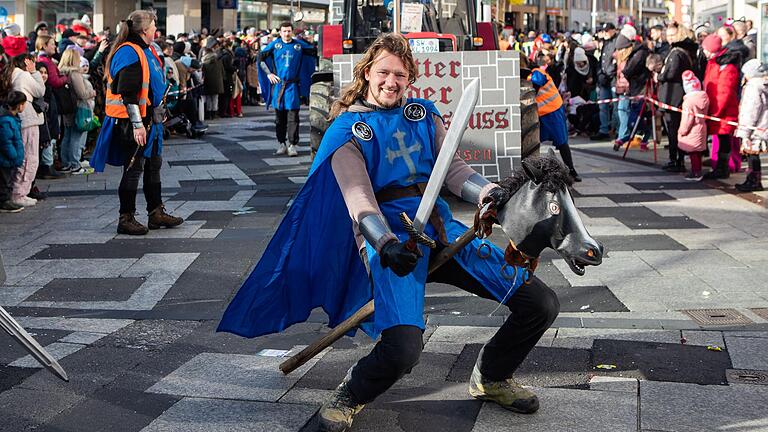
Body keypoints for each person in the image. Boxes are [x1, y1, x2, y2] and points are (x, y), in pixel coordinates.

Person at [218, 34, 560, 432]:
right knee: (402, 350)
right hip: (391, 241)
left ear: (410, 77)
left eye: (399, 74)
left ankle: (492, 377)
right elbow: (359, 199)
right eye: (383, 72)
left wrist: (488, 193)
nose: (391, 81)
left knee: (540, 302)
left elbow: (453, 172)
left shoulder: (423, 115)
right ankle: (348, 396)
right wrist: (385, 245)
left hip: (442, 231)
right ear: (367, 73)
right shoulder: (347, 131)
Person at [91, 10, 184, 235]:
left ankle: (156, 212)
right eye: (153, 26)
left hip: (151, 118)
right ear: (144, 29)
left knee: (154, 164)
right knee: (134, 168)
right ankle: (126, 217)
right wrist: (137, 124)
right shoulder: (128, 52)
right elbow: (128, 92)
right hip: (131, 121)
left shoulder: (146, 50)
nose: (156, 30)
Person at [258, 21, 316, 157]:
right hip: (279, 86)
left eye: (289, 31)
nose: (287, 33)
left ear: (292, 31)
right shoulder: (275, 45)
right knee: (279, 118)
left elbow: (313, 52)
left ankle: (292, 145)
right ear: (280, 32)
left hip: (292, 87)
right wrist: (269, 74)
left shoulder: (298, 45)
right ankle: (281, 144)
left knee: (293, 117)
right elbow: (260, 58)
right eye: (284, 31)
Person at [530, 53, 580, 181]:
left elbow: (537, 82)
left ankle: (572, 171)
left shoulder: (536, 72)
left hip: (553, 111)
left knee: (561, 141)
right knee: (534, 142)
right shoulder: (534, 73)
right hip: (543, 113)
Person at [658, 23, 697, 172]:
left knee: (674, 130)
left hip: (673, 96)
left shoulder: (676, 53)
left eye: (672, 35)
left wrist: (660, 75)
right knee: (675, 129)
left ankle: (676, 160)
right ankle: (676, 158)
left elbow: (671, 73)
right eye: (668, 35)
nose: (669, 38)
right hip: (677, 94)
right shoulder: (683, 51)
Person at [8, 53, 45, 207]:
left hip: (24, 118)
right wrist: (35, 72)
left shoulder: (13, 74)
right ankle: (19, 193)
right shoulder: (23, 75)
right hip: (29, 119)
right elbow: (39, 90)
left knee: (26, 156)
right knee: (29, 157)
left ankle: (20, 191)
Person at [701, 34, 740, 179]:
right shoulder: (713, 62)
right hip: (716, 108)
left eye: (705, 48)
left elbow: (724, 91)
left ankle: (723, 169)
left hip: (723, 111)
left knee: (724, 140)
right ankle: (720, 167)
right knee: (720, 139)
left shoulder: (726, 67)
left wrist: (715, 112)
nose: (703, 51)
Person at [59, 48, 96, 174]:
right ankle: (75, 164)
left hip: (67, 109)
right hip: (79, 108)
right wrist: (92, 93)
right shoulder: (75, 73)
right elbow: (82, 94)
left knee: (67, 136)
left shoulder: (62, 72)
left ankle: (66, 163)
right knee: (76, 136)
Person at [734, 59, 768, 192]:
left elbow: (751, 110)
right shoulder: (763, 84)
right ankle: (754, 179)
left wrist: (744, 132)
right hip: (762, 124)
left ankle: (753, 180)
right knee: (753, 154)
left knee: (752, 154)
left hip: (754, 128)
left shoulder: (753, 87)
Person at [677, 70, 709, 181]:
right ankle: (697, 170)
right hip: (701, 127)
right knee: (697, 152)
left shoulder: (688, 102)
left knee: (693, 153)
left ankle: (696, 172)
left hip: (692, 129)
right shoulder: (704, 98)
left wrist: (682, 131)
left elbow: (687, 119)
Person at [0, 91, 27, 213]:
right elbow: (6, 141)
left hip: (9, 159)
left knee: (8, 179)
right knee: (5, 180)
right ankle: (4, 201)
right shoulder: (6, 120)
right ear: (19, 105)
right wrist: (14, 155)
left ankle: (6, 200)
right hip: (6, 158)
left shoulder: (12, 118)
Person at [592, 23, 617, 141]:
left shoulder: (617, 42)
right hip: (604, 79)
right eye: (604, 31)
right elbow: (601, 60)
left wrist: (608, 74)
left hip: (613, 79)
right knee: (603, 105)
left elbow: (615, 61)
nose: (605, 33)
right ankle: (604, 129)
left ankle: (616, 130)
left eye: (607, 31)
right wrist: (600, 74)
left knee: (617, 107)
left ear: (613, 30)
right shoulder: (605, 43)